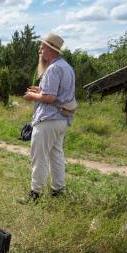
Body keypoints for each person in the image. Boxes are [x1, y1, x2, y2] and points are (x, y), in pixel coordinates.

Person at [20, 33, 76, 202]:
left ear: (50, 49)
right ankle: (58, 190)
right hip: (62, 119)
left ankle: (34, 194)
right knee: (56, 155)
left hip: (48, 119)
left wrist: (32, 96)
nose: (40, 50)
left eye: (42, 47)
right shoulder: (66, 67)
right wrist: (40, 91)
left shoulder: (53, 68)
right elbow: (56, 94)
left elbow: (50, 98)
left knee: (39, 156)